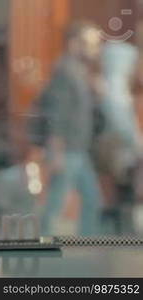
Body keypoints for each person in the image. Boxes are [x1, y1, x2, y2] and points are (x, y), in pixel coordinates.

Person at [40, 22, 104, 236]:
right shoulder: (66, 72)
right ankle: (43, 242)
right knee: (58, 199)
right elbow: (57, 115)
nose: (95, 48)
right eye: (90, 43)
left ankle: (86, 241)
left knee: (92, 198)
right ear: (74, 44)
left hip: (78, 148)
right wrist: (56, 151)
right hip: (67, 149)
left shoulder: (79, 72)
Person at [97, 42, 142, 234]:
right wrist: (138, 143)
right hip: (119, 150)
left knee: (122, 192)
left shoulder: (111, 85)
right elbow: (121, 123)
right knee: (125, 192)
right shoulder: (115, 88)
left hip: (116, 150)